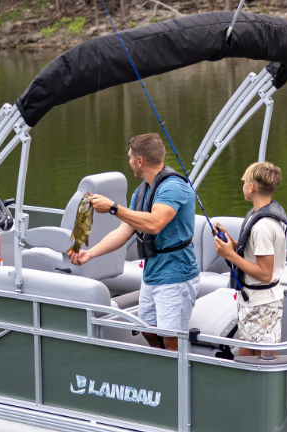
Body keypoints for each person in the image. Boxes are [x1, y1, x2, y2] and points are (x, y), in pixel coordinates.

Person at [69, 134, 200, 350]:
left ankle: (177, 377)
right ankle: (161, 366)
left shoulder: (172, 187)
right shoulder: (143, 190)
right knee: (147, 329)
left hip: (176, 276)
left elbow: (155, 223)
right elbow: (124, 231)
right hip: (152, 274)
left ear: (140, 161)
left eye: (130, 157)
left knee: (171, 339)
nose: (129, 162)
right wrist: (90, 253)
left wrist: (113, 208)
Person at [212, 162, 287, 358]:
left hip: (262, 303)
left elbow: (265, 274)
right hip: (251, 300)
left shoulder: (263, 226)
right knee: (246, 353)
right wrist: (230, 241)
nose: (243, 185)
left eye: (244, 181)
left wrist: (229, 254)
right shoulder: (257, 215)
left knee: (264, 358)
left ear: (251, 187)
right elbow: (252, 251)